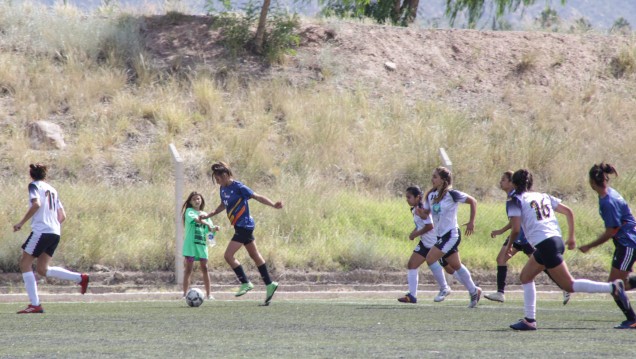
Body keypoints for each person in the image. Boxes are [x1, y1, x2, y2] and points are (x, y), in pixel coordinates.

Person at [506, 169, 631, 331]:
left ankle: (613, 288)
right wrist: (571, 237)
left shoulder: (514, 199)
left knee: (569, 285)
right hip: (554, 241)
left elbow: (515, 230)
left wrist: (507, 248)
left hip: (546, 245)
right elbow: (568, 212)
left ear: (514, 184)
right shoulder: (543, 196)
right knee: (525, 276)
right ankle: (529, 320)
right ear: (530, 183)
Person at [199, 161, 282, 304]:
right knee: (255, 255)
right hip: (239, 226)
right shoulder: (223, 189)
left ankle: (245, 282)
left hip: (245, 226)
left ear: (225, 175)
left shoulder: (239, 187)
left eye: (218, 179)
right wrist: (208, 215)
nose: (218, 182)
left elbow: (257, 196)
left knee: (228, 255)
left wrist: (273, 205)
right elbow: (222, 205)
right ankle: (269, 284)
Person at [12, 164, 89, 314]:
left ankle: (35, 304)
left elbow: (36, 204)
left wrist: (21, 223)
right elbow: (62, 216)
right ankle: (81, 278)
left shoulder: (34, 186)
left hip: (42, 231)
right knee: (42, 269)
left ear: (31, 175)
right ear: (45, 175)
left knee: (24, 263)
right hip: (55, 232)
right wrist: (51, 226)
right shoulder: (53, 190)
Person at [485, 171, 570, 305]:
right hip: (518, 235)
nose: (500, 182)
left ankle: (565, 287)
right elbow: (515, 222)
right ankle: (500, 293)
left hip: (526, 237)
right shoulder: (512, 197)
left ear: (512, 183)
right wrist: (501, 231)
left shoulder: (515, 198)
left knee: (545, 264)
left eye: (504, 180)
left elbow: (517, 225)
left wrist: (509, 241)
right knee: (501, 259)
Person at [579, 163, 636, 329]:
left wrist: (589, 246)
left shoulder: (608, 201)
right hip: (627, 241)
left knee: (614, 284)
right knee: (617, 283)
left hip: (628, 243)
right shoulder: (609, 194)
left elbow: (612, 230)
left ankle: (632, 319)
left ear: (591, 181)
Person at [417, 166, 482, 308]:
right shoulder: (431, 195)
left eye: (435, 176)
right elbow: (426, 213)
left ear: (443, 180)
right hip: (441, 236)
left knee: (430, 258)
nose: (432, 179)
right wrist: (419, 211)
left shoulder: (452, 194)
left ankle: (444, 288)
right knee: (456, 266)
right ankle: (474, 291)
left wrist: (471, 222)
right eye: (432, 176)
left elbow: (473, 201)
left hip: (451, 234)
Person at [397, 186, 454, 304]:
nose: (407, 199)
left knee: (451, 268)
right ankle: (412, 296)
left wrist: (416, 234)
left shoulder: (422, 208)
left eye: (409, 197)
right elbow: (421, 225)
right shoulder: (414, 209)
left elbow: (430, 226)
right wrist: (414, 232)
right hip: (424, 243)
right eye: (406, 197)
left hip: (434, 243)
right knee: (412, 264)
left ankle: (471, 287)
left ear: (418, 197)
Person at [181, 191, 219, 300]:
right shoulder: (189, 211)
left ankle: (208, 294)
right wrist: (206, 223)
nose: (197, 201)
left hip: (202, 245)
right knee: (188, 269)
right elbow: (196, 220)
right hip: (190, 246)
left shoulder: (205, 214)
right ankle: (184, 294)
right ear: (190, 202)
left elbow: (210, 231)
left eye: (198, 199)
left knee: (205, 268)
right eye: (194, 199)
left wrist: (214, 229)